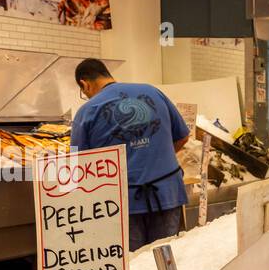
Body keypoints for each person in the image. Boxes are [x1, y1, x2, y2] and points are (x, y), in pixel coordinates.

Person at [71, 59, 190, 252]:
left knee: (132, 267)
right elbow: (183, 137)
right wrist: (154, 155)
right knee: (167, 263)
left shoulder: (88, 111)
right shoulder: (152, 92)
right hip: (167, 194)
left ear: (85, 84)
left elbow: (79, 164)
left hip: (121, 204)